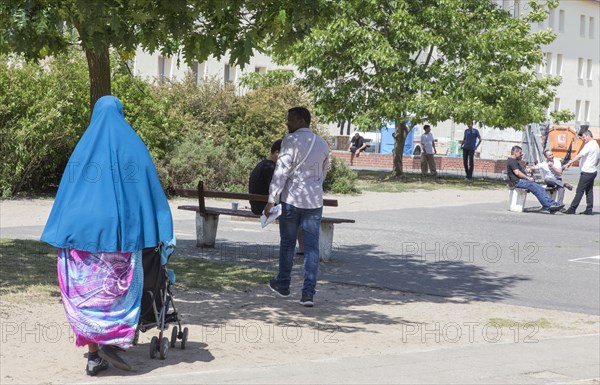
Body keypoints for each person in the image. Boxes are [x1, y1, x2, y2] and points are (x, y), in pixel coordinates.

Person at [41, 96, 175, 375]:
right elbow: (150, 189)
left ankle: (94, 356)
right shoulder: (134, 147)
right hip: (122, 239)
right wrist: (163, 231)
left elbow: (68, 193)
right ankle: (113, 342)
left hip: (80, 239)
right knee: (117, 292)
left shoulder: (84, 149)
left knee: (89, 297)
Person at [264, 107, 329, 307]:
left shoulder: (290, 141)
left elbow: (280, 172)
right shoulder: (322, 143)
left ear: (301, 120)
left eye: (290, 120)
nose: (287, 123)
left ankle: (283, 284)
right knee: (311, 249)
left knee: (288, 243)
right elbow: (324, 171)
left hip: (292, 199)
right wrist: (314, 186)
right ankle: (308, 293)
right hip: (314, 202)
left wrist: (271, 199)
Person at [249, 140, 304, 255]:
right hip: (264, 208)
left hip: (256, 205)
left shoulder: (262, 164)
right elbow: (276, 190)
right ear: (277, 153)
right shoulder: (272, 167)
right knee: (297, 215)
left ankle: (301, 248)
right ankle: (303, 248)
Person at [506, 145, 564, 213]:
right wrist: (528, 178)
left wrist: (529, 174)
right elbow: (517, 173)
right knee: (534, 187)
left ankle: (551, 204)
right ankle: (548, 205)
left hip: (520, 181)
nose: (522, 154)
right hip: (517, 182)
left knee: (539, 187)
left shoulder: (513, 161)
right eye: (520, 152)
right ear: (515, 153)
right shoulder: (512, 161)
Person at [561, 130, 600, 215]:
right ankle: (589, 209)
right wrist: (593, 165)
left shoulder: (589, 145)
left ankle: (572, 209)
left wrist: (569, 163)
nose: (583, 139)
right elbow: (598, 160)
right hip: (592, 171)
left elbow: (579, 155)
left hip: (587, 172)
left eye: (584, 137)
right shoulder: (596, 145)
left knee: (579, 191)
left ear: (588, 136)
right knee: (589, 191)